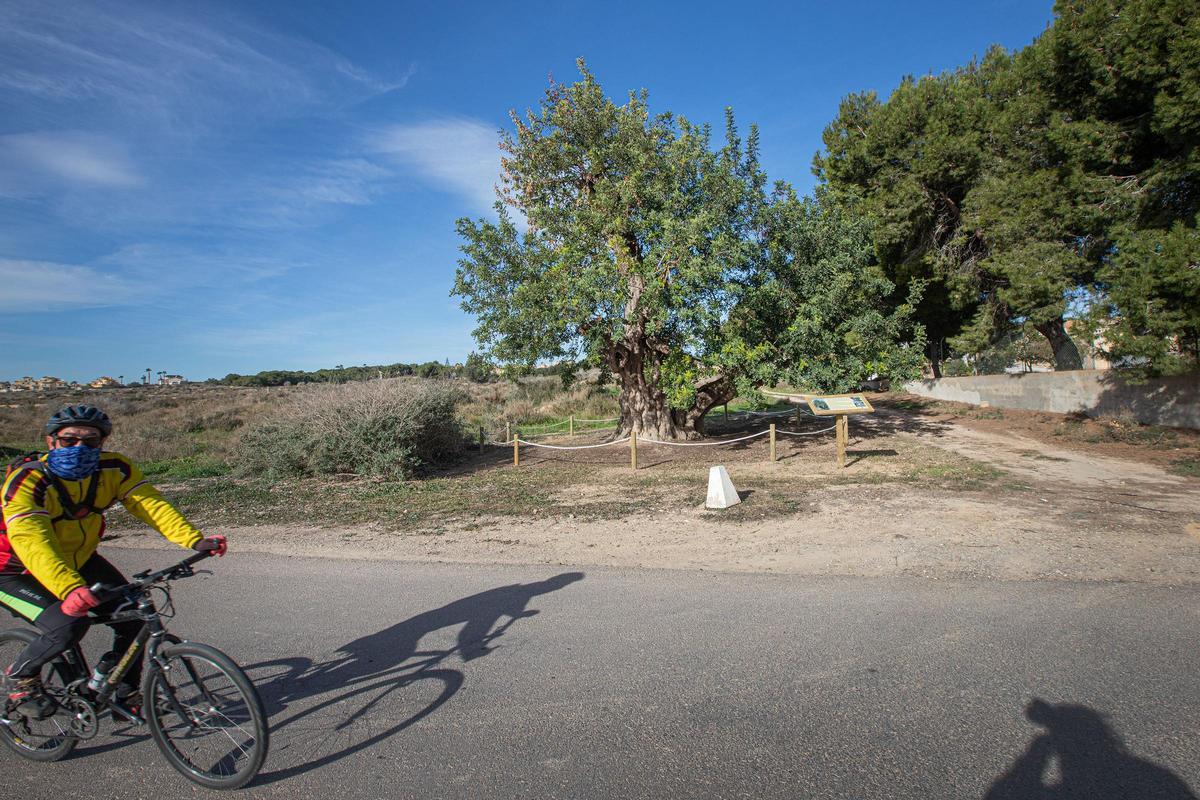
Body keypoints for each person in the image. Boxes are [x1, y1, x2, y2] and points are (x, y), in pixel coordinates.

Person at [0, 405, 226, 719]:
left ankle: (124, 693)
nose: (80, 447)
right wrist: (69, 589)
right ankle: (20, 677)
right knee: (68, 625)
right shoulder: (28, 480)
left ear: (102, 443)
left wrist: (194, 539)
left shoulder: (114, 469)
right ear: (51, 441)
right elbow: (31, 541)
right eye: (69, 440)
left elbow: (150, 504)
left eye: (90, 441)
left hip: (80, 560)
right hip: (14, 570)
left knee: (134, 619)